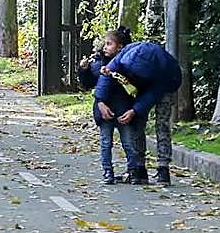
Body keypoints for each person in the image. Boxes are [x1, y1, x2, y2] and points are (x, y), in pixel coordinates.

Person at [95, 39, 183, 185]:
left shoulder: (164, 70)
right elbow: (107, 74)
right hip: (144, 84)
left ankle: (163, 168)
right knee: (137, 123)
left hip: (167, 85)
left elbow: (153, 94)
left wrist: (135, 110)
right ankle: (138, 167)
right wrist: (100, 100)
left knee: (161, 125)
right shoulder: (123, 57)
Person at [78, 27, 139, 185]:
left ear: (119, 47)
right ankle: (107, 170)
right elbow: (89, 84)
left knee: (128, 142)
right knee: (106, 142)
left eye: (109, 44)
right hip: (104, 110)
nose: (105, 47)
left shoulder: (127, 64)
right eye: (104, 44)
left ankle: (133, 170)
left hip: (123, 108)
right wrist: (83, 70)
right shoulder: (98, 64)